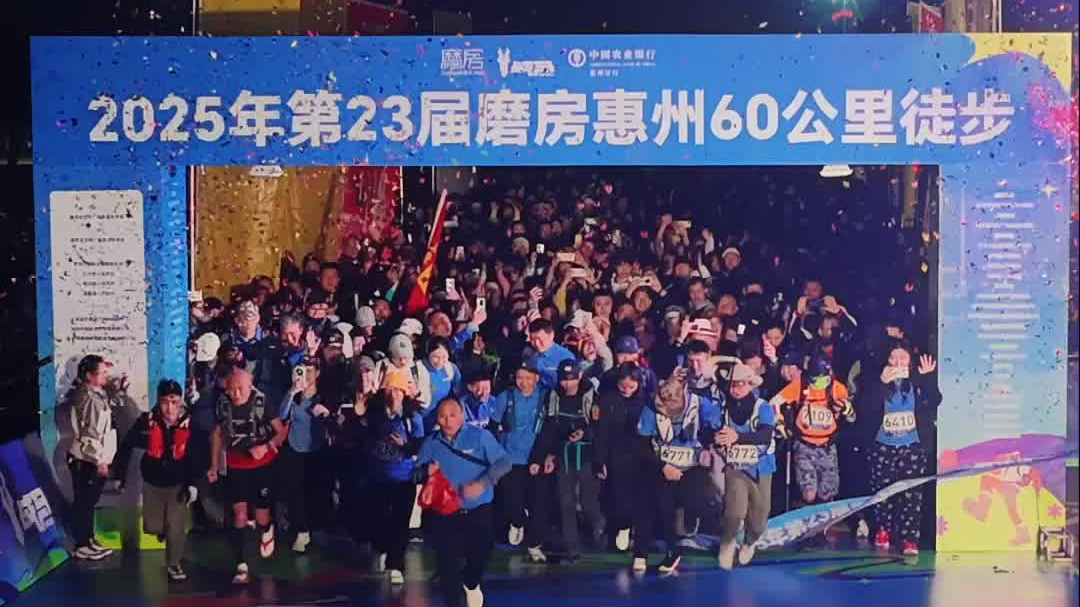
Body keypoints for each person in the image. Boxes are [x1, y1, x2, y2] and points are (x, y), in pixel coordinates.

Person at [415, 398, 512, 607]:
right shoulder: (431, 443)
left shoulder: (480, 436)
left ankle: (471, 582)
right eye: (442, 416)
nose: (447, 421)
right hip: (444, 514)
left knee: (482, 552)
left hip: (478, 510)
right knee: (447, 566)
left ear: (462, 416)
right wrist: (425, 471)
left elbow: (504, 463)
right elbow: (414, 474)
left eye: (452, 415)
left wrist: (482, 483)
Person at [633, 373, 724, 574]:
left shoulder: (699, 404)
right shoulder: (651, 408)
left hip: (692, 466)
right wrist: (663, 466)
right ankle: (663, 553)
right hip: (661, 464)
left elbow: (718, 425)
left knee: (703, 499)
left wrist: (714, 442)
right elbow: (642, 444)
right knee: (661, 506)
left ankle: (720, 539)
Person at [855, 344, 940, 556]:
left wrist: (928, 378)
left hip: (912, 446)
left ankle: (910, 538)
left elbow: (934, 400)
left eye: (903, 358)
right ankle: (883, 530)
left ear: (910, 361)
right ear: (887, 360)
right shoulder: (875, 380)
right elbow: (863, 407)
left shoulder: (917, 380)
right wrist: (881, 384)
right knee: (882, 491)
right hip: (883, 446)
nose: (899, 362)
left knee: (912, 494)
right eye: (894, 358)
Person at [208, 369, 287, 584]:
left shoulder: (263, 402)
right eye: (231, 389)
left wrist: (266, 446)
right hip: (236, 465)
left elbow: (281, 432)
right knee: (239, 514)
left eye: (240, 388)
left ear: (250, 385)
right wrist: (214, 465)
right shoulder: (222, 404)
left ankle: (267, 528)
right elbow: (217, 434)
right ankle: (241, 564)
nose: (236, 393)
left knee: (261, 516)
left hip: (262, 464)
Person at [115, 380, 198, 580]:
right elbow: (127, 446)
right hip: (152, 480)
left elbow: (199, 455)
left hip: (179, 482)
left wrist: (193, 484)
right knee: (153, 526)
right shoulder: (146, 421)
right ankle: (162, 531)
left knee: (176, 526)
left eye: (174, 402)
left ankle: (174, 564)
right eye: (164, 402)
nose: (169, 408)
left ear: (180, 401)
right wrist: (120, 475)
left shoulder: (191, 423)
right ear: (158, 402)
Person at [535, 360, 605, 560]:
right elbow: (549, 428)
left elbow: (600, 428)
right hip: (563, 454)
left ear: (579, 377)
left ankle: (599, 524)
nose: (567, 384)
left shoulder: (591, 396)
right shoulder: (554, 396)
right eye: (564, 380)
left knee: (587, 501)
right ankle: (572, 546)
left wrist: (585, 434)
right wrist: (547, 455)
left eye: (571, 379)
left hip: (587, 455)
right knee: (566, 502)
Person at [770, 356, 854, 519]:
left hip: (827, 446)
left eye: (824, 379)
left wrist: (846, 409)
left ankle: (823, 525)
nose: (820, 384)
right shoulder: (800, 385)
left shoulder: (837, 388)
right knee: (809, 493)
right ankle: (806, 522)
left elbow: (851, 415)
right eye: (816, 380)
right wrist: (779, 422)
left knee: (826, 493)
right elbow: (774, 403)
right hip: (804, 445)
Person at [364, 370, 425, 584]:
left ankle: (396, 564)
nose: (394, 395)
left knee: (400, 522)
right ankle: (380, 548)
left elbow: (420, 446)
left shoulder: (412, 416)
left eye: (399, 390)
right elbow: (363, 438)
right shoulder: (374, 413)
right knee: (378, 518)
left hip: (403, 478)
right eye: (390, 389)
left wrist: (405, 445)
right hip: (377, 477)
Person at [714, 364, 776, 569]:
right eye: (733, 385)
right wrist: (717, 439)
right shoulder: (723, 407)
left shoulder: (763, 407)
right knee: (734, 513)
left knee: (759, 519)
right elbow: (713, 431)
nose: (736, 389)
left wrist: (738, 437)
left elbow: (765, 435)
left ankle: (749, 542)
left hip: (761, 468)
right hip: (736, 467)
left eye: (740, 385)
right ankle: (727, 544)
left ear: (750, 385)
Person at [489, 362, 552, 560]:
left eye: (527, 378)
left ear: (536, 378)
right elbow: (493, 426)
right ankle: (518, 522)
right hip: (510, 458)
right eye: (519, 378)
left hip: (536, 458)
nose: (523, 382)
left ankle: (535, 544)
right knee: (511, 501)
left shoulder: (546, 397)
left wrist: (545, 456)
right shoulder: (505, 397)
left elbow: (552, 428)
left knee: (538, 504)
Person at [65, 355, 124, 560]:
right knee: (84, 502)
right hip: (86, 460)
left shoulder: (96, 394)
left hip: (93, 458)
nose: (106, 375)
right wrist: (100, 460)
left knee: (89, 502)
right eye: (102, 372)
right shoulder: (88, 398)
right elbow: (90, 434)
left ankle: (89, 539)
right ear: (89, 375)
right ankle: (81, 544)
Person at [277, 357, 333, 554]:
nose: (307, 375)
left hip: (317, 450)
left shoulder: (324, 396)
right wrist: (292, 391)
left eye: (310, 370)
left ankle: (316, 528)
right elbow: (282, 415)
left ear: (317, 373)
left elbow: (334, 421)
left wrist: (326, 414)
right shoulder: (294, 396)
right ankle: (301, 531)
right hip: (295, 449)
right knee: (296, 492)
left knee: (317, 491)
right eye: (303, 370)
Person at [592, 363, 648, 552]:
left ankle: (634, 532)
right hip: (615, 456)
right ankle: (621, 528)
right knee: (616, 497)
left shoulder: (646, 402)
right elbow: (601, 433)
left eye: (631, 387)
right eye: (623, 386)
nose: (627, 390)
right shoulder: (608, 400)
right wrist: (600, 461)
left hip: (640, 456)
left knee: (638, 498)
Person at [522, 318, 575, 390]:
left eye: (539, 339)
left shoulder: (566, 357)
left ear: (551, 335)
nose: (536, 344)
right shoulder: (527, 352)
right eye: (532, 340)